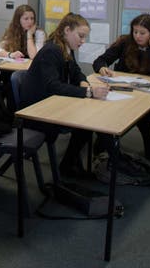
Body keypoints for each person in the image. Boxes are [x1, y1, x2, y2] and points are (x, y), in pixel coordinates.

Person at [21, 13, 109, 177]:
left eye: (84, 37)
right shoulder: (51, 50)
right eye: (80, 36)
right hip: (38, 110)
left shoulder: (65, 48)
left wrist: (83, 82)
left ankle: (70, 163)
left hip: (53, 102)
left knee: (88, 121)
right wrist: (88, 92)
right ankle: (68, 165)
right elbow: (53, 86)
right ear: (67, 30)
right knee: (85, 123)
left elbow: (76, 72)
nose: (83, 41)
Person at [93, 13, 150, 162]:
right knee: (108, 116)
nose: (138, 36)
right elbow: (100, 60)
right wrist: (102, 67)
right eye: (135, 32)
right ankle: (103, 148)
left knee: (143, 119)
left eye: (143, 33)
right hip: (123, 92)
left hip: (147, 97)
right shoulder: (125, 42)